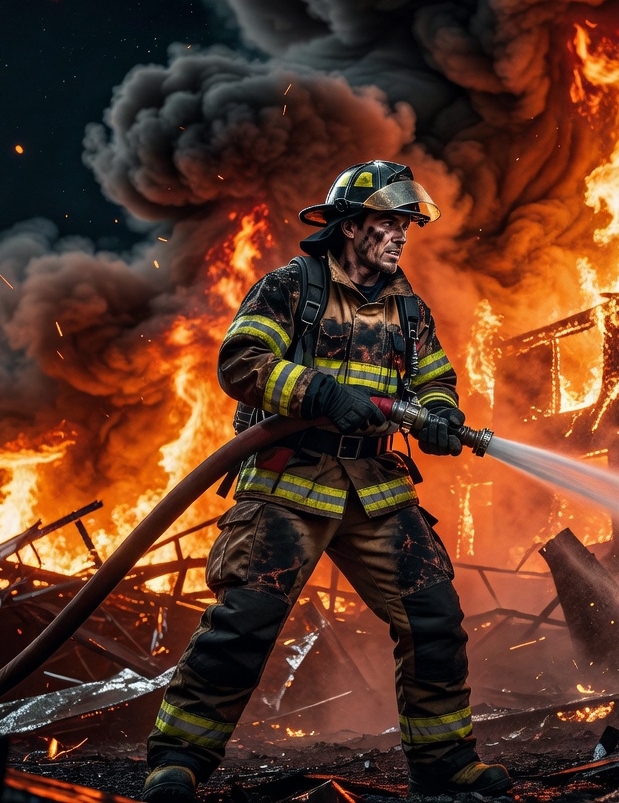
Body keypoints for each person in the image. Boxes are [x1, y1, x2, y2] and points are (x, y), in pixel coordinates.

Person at [140, 161, 511, 802]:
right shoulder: (291, 289)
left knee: (433, 616)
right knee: (246, 619)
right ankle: (179, 760)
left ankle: (444, 762)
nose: (400, 237)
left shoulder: (408, 309)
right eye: (388, 224)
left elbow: (433, 379)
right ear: (349, 226)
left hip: (374, 484)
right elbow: (242, 363)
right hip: (290, 480)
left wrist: (442, 417)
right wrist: (318, 392)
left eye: (405, 227)